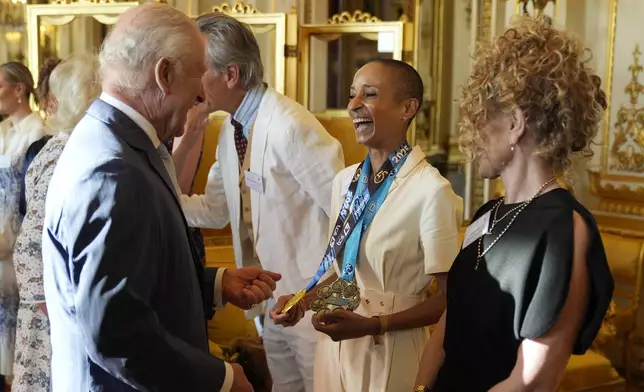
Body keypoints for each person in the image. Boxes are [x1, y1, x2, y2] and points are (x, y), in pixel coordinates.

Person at [41, 4, 281, 392]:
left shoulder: (116, 141)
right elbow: (117, 334)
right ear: (164, 74)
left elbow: (133, 277)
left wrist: (215, 284)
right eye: (197, 75)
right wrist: (221, 379)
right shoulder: (113, 170)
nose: (202, 93)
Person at [413, 16, 614, 392]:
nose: (470, 137)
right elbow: (450, 318)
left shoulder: (564, 228)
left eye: (480, 119)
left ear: (516, 124)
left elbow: (530, 381)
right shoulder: (489, 214)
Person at [270, 59, 463, 392]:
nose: (353, 105)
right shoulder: (345, 182)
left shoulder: (432, 191)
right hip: (337, 344)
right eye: (351, 95)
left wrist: (374, 325)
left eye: (369, 94)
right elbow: (346, 275)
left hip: (391, 348)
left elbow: (452, 299)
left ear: (407, 107)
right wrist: (303, 302)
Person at [176, 13, 345, 392]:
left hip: (311, 302)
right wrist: (160, 202)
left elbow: (345, 212)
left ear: (231, 74)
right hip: (271, 305)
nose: (191, 80)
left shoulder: (290, 125)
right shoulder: (230, 128)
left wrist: (325, 296)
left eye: (197, 68)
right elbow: (216, 209)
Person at [12, 53, 100, 392]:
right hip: (50, 308)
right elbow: (31, 242)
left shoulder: (66, 144)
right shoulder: (66, 150)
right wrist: (53, 307)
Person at [0, 62, 49, 388]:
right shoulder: (5, 132)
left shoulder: (37, 134)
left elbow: (29, 199)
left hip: (16, 240)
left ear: (19, 90)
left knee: (13, 328)